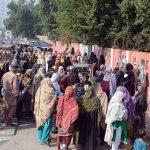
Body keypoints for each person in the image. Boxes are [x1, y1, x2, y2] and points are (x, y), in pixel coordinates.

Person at [34, 78, 57, 146]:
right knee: (47, 125)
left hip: (39, 109)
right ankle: (44, 140)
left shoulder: (39, 89)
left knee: (40, 124)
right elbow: (54, 98)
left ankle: (40, 138)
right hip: (47, 111)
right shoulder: (50, 90)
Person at [77, 85, 99, 150]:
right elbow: (97, 111)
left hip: (83, 119)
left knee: (83, 132)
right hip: (92, 119)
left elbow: (79, 108)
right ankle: (91, 147)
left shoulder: (82, 98)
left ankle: (82, 146)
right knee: (91, 133)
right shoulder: (96, 99)